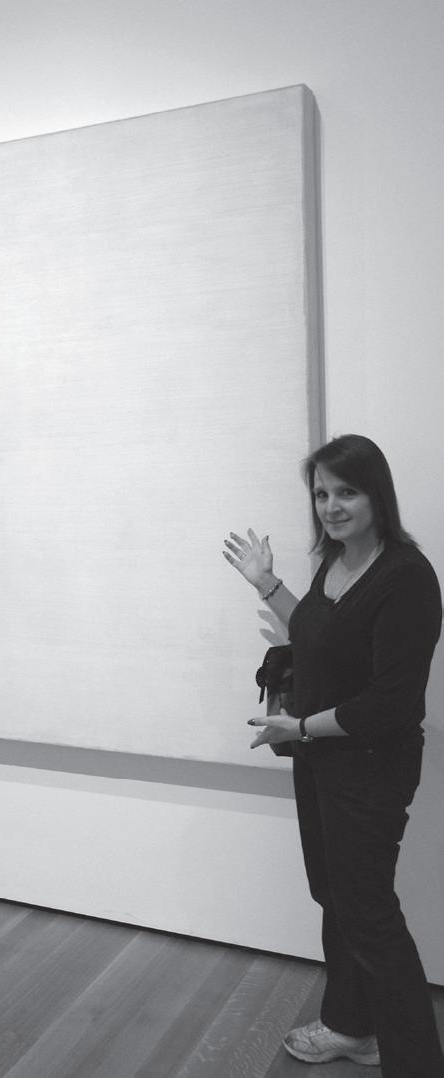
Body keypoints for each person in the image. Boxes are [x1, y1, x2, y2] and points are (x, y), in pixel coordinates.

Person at [223, 434, 443, 1077]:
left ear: (378, 494)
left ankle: (417, 1062)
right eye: (321, 493)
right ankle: (353, 1027)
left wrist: (300, 727)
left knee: (367, 911)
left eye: (346, 491)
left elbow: (388, 703)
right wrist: (267, 584)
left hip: (372, 765)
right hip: (321, 757)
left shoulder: (406, 577)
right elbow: (317, 632)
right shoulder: (336, 562)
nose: (331, 505)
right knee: (335, 896)